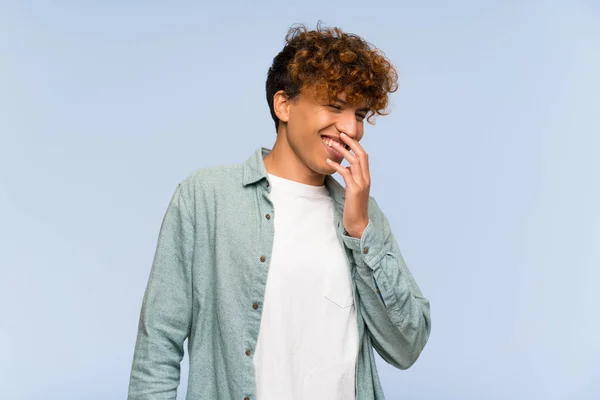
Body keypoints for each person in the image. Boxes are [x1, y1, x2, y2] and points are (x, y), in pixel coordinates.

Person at [127, 22, 431, 400]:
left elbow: (407, 346)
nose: (351, 128)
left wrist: (359, 230)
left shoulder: (363, 215)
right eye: (335, 106)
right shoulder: (206, 198)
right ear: (283, 104)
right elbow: (159, 344)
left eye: (360, 113)